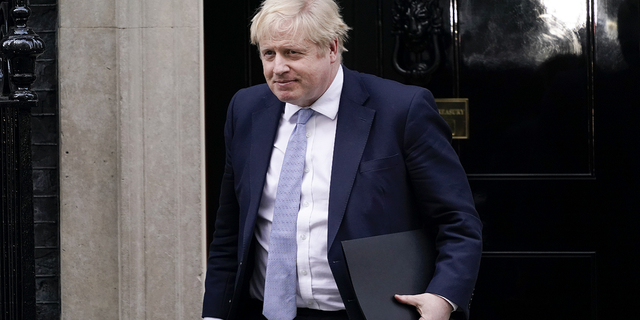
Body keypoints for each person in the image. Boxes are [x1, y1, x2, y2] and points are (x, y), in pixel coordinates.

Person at [202, 0, 482, 319]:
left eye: (292, 53)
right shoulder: (245, 109)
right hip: (261, 311)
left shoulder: (403, 110)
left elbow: (457, 220)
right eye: (269, 53)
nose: (277, 68)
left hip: (367, 311)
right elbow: (230, 225)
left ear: (332, 48)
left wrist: (442, 298)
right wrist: (214, 313)